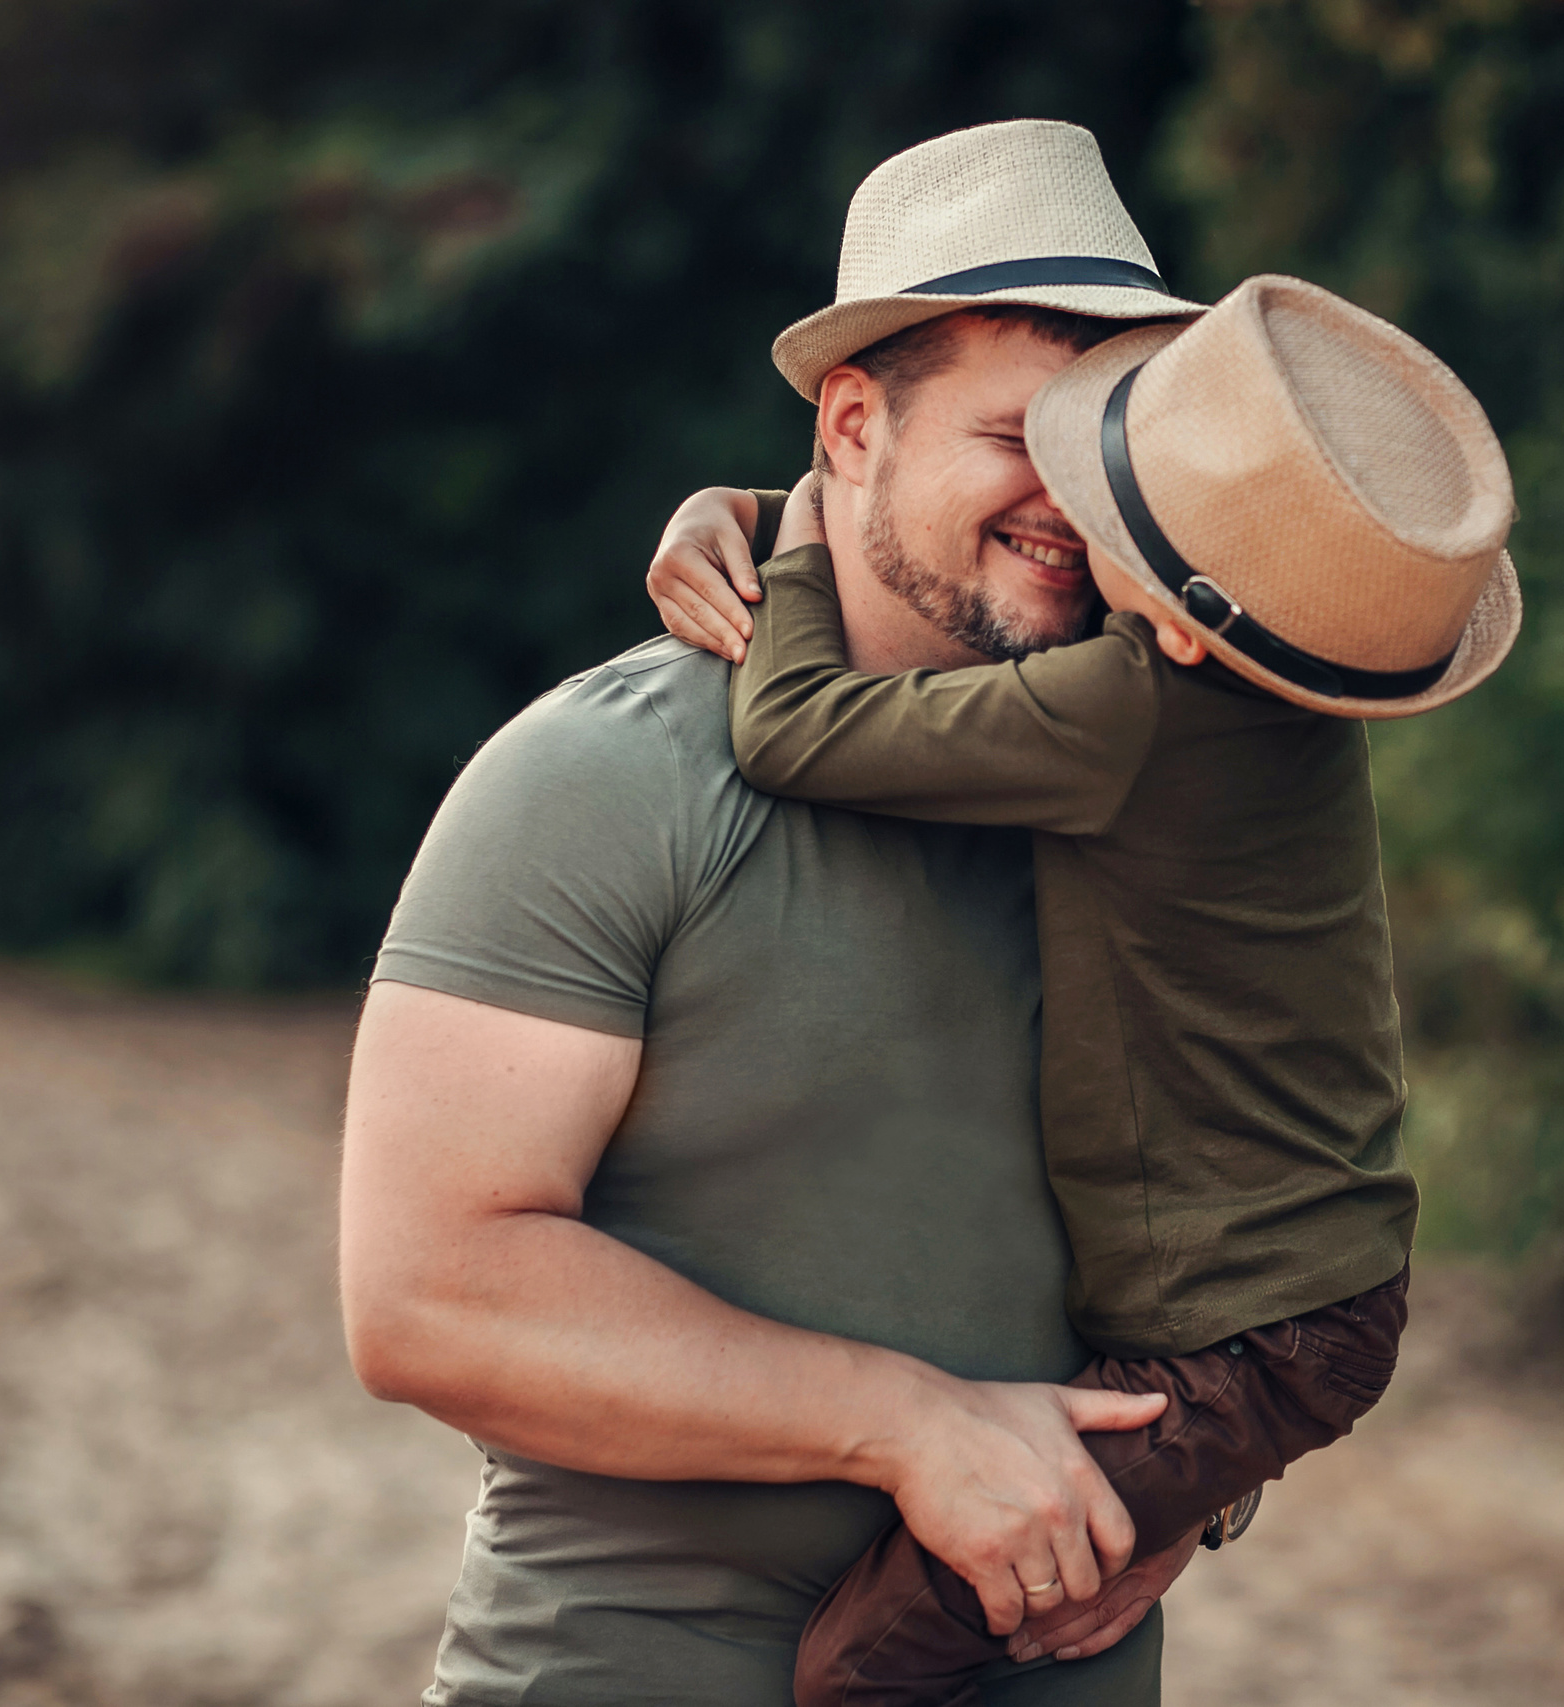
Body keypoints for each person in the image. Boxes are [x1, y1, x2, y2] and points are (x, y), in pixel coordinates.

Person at [338, 119, 1214, 1706]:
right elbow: (425, 1297)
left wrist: (1200, 1484)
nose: (1074, 505)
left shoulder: (1160, 802)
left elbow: (1261, 1205)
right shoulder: (598, 780)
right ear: (856, 426)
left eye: (1107, 447)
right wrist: (910, 1422)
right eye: (1020, 437)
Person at [651, 274, 1522, 1706]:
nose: (1066, 520)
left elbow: (796, 727)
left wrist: (792, 529)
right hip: (1307, 1302)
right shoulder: (1273, 689)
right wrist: (741, 506)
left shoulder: (1122, 706)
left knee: (857, 1669)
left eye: (1108, 503)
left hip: (1248, 1338)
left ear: (1180, 616)